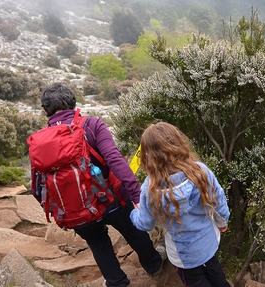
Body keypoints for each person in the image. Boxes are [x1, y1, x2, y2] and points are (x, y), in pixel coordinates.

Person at [29, 82, 165, 287]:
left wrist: (59, 209)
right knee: (132, 230)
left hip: (75, 211)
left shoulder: (39, 142)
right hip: (111, 199)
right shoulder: (91, 125)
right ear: (73, 103)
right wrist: (136, 196)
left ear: (45, 110)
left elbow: (37, 186)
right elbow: (114, 159)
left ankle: (116, 281)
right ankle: (154, 265)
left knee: (98, 242)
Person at [130, 122, 231, 287]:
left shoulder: (150, 189)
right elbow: (218, 200)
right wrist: (223, 221)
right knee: (216, 274)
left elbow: (145, 224)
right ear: (178, 144)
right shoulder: (200, 171)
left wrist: (134, 213)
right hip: (208, 241)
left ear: (148, 156)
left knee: (195, 281)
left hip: (183, 255)